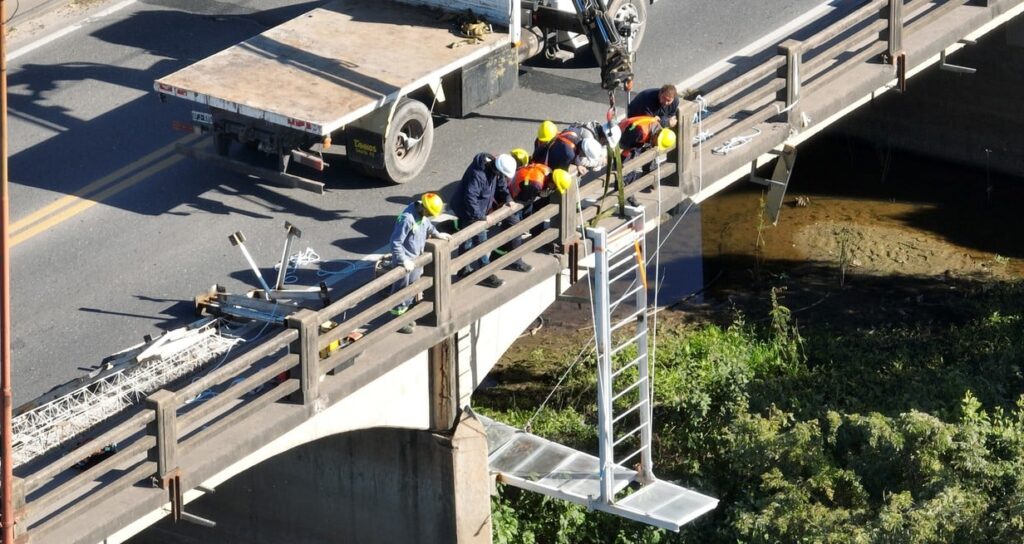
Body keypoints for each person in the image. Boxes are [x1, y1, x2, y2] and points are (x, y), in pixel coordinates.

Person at [450, 152, 516, 288]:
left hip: (476, 209)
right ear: (497, 169)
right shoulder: (478, 175)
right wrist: (481, 216)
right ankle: (485, 273)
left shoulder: (496, 170)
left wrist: (508, 199)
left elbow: (501, 185)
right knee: (481, 241)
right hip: (468, 210)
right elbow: (470, 197)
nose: (501, 177)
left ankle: (463, 269)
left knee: (467, 240)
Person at [388, 193, 451, 333]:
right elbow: (395, 242)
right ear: (423, 207)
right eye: (429, 212)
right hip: (405, 261)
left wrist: (437, 234)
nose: (429, 215)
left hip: (417, 259)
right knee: (401, 288)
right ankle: (397, 319)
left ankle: (406, 314)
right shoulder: (407, 219)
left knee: (413, 287)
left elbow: (428, 226)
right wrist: (403, 260)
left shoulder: (422, 216)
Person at [503, 165, 574, 272]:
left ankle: (537, 236)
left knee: (531, 217)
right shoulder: (535, 184)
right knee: (516, 231)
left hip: (523, 191)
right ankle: (515, 262)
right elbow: (523, 201)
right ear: (552, 181)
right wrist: (540, 193)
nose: (553, 189)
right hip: (514, 199)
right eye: (554, 187)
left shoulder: (547, 170)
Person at [532, 125, 605, 174]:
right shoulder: (569, 155)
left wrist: (578, 164)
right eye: (585, 155)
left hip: (541, 146)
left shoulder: (573, 134)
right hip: (541, 163)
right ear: (583, 152)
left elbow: (576, 149)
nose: (584, 157)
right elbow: (561, 172)